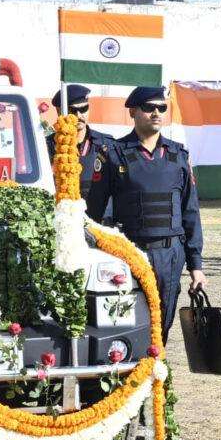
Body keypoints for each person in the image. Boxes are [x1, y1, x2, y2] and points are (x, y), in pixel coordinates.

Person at [85, 86, 205, 333]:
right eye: (149, 108)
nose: (156, 113)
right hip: (129, 251)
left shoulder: (178, 155)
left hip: (169, 254)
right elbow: (94, 213)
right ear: (133, 111)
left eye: (161, 108)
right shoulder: (113, 154)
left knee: (162, 324)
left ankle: (156, 368)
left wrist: (196, 266)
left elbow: (190, 211)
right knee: (124, 321)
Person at [50, 85, 118, 219]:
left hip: (99, 225)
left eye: (83, 109)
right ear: (59, 111)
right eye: (72, 111)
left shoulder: (107, 144)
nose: (79, 115)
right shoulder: (48, 146)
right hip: (61, 223)